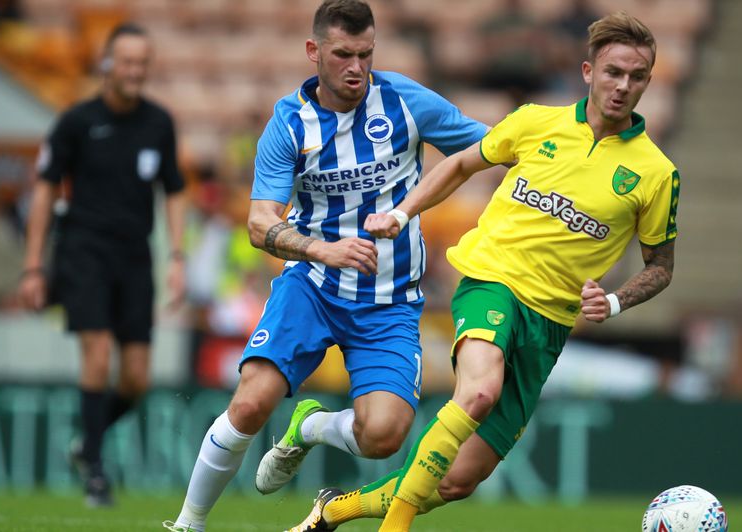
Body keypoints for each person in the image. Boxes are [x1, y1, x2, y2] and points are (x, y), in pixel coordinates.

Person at [287, 11, 679, 532]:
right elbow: (458, 165)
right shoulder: (536, 121)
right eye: (614, 72)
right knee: (476, 392)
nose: (623, 86)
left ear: (649, 80)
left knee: (457, 481)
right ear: (588, 71)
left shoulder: (656, 174)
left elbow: (660, 266)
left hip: (551, 321)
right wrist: (404, 213)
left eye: (637, 76)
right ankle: (394, 526)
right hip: (491, 282)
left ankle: (333, 511)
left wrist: (614, 301)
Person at [164, 1, 487, 530]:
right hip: (311, 287)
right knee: (250, 404)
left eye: (365, 54)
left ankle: (310, 428)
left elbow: (489, 145)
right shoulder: (288, 125)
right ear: (315, 52)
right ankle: (188, 523)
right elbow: (258, 223)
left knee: (384, 435)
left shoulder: (405, 101)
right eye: (343, 54)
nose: (356, 67)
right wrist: (321, 250)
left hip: (389, 301)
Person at [17, 22, 186, 507]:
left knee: (136, 379)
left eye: (142, 63)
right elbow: (46, 188)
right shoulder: (76, 121)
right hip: (83, 252)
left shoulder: (159, 122)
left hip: (135, 256)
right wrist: (33, 266)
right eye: (127, 61)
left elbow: (173, 191)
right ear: (107, 65)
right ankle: (95, 473)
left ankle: (86, 443)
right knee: (96, 352)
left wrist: (176, 257)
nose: (135, 71)